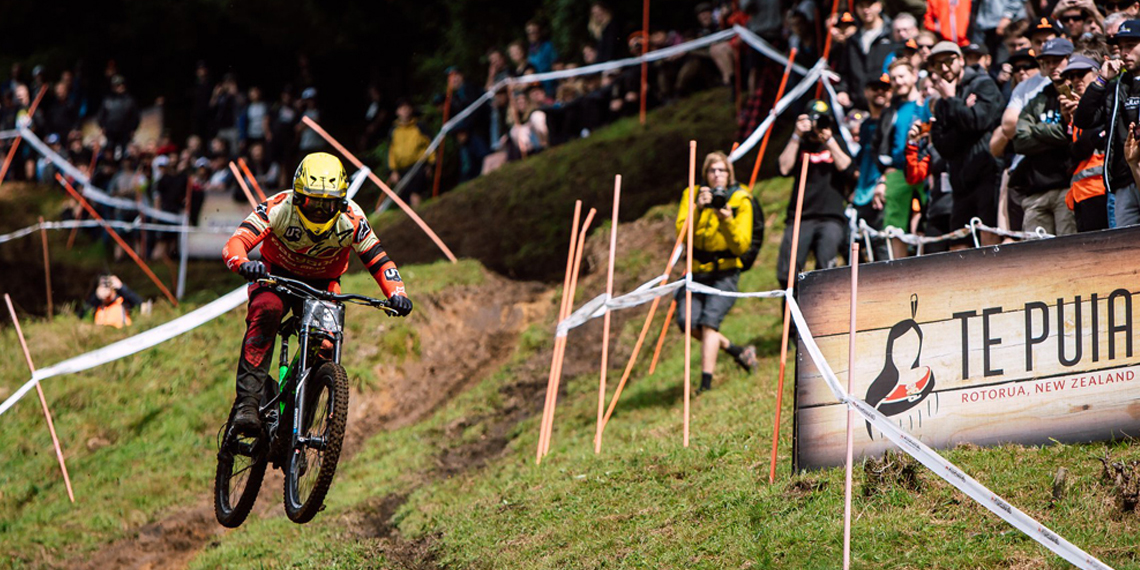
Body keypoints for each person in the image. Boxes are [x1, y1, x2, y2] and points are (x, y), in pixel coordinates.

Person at [222, 152, 414, 434]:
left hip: (323, 283)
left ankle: (297, 426)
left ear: (343, 202)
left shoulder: (353, 219)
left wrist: (397, 293)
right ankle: (248, 404)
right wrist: (244, 264)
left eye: (329, 205)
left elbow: (380, 261)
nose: (321, 212)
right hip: (275, 275)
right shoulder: (278, 207)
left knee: (325, 344)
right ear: (298, 197)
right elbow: (236, 242)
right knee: (267, 310)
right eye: (313, 203)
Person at [674, 151, 758, 393]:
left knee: (709, 324)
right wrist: (698, 209)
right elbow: (682, 234)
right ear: (705, 174)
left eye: (722, 170)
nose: (717, 175)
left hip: (725, 273)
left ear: (729, 173)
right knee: (687, 322)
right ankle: (737, 350)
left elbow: (741, 245)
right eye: (712, 170)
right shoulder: (691, 195)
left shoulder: (742, 199)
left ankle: (705, 386)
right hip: (696, 271)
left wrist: (727, 220)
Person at [928, 41, 1004, 248]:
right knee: (957, 245)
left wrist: (953, 101)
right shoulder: (943, 100)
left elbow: (978, 121)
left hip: (986, 173)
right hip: (960, 182)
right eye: (937, 64)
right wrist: (962, 111)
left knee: (989, 240)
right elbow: (942, 145)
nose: (944, 68)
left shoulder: (983, 84)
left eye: (948, 61)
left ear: (961, 60)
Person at [776, 100, 853, 287]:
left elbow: (848, 169)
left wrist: (829, 141)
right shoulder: (799, 144)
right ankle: (792, 312)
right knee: (789, 271)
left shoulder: (837, 142)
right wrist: (796, 135)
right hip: (800, 216)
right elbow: (784, 168)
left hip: (831, 217)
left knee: (826, 270)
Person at [1074, 19, 1140, 228]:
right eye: (1120, 48)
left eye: (1130, 46)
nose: (1124, 52)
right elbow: (1084, 119)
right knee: (1125, 254)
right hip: (1122, 182)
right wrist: (1101, 80)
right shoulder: (1115, 86)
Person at [1011, 37, 1078, 236]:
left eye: (1056, 60)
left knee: (1068, 253)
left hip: (1066, 187)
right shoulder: (1039, 98)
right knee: (1035, 258)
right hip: (1036, 191)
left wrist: (1038, 129)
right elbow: (1019, 140)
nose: (1051, 66)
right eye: (1047, 62)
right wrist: (1056, 132)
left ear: (1069, 59)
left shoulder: (1077, 92)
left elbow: (1070, 135)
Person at [872, 61, 930, 258]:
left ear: (914, 76)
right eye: (894, 78)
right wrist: (882, 175)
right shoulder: (890, 111)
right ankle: (899, 268)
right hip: (897, 171)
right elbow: (879, 143)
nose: (898, 82)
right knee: (894, 227)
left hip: (925, 167)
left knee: (929, 220)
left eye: (902, 76)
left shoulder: (927, 102)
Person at [1062, 54, 1110, 231]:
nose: (1075, 80)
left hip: (1100, 190)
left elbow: (1083, 146)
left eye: (1081, 73)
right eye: (1071, 76)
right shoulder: (1076, 112)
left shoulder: (1105, 102)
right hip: (1081, 194)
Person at [387, 99, 435, 205]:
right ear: (397, 112)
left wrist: (431, 164)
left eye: (407, 107)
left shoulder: (420, 126)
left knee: (415, 193)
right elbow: (391, 152)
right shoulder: (393, 131)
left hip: (419, 166)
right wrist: (392, 171)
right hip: (402, 169)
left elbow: (431, 145)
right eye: (402, 108)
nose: (405, 111)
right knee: (406, 197)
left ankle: (419, 215)